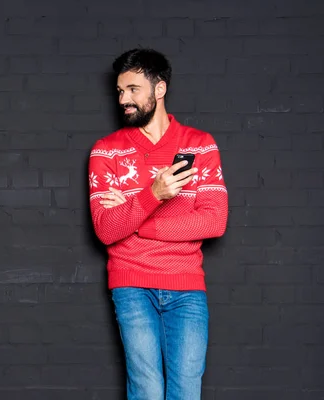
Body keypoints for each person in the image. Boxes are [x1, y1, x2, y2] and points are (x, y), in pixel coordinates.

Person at [88, 48, 228, 400]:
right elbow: (106, 229)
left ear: (159, 89)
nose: (124, 100)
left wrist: (136, 222)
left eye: (133, 89)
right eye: (120, 91)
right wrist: (154, 193)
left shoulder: (200, 145)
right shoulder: (106, 152)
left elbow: (214, 221)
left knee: (186, 391)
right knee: (147, 391)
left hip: (187, 286)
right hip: (132, 284)